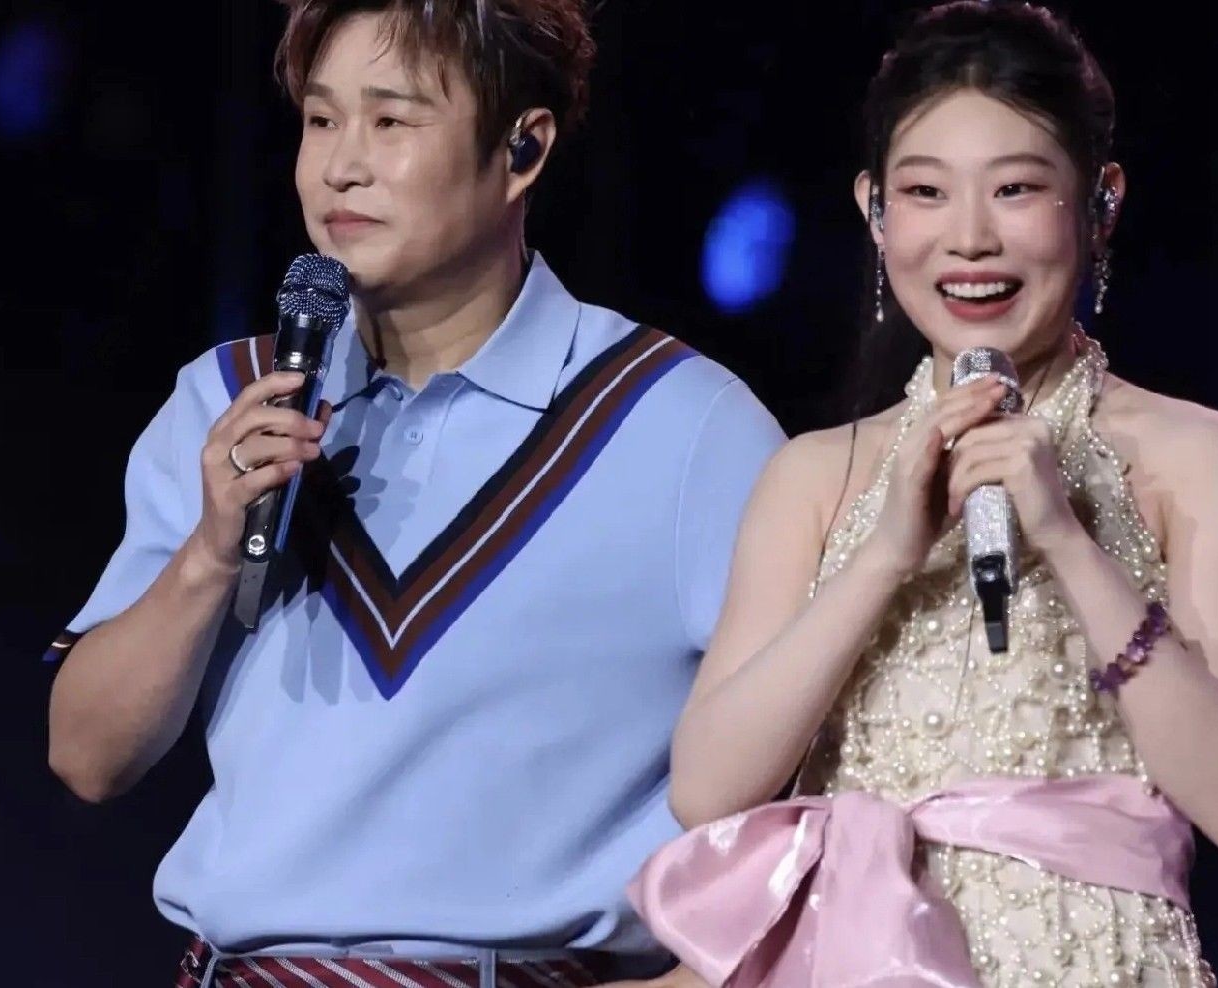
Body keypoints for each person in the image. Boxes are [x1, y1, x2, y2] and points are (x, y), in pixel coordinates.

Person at [44, 2, 783, 985]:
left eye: (391, 120)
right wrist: (208, 557)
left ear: (522, 149)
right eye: (321, 120)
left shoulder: (682, 425)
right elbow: (86, 755)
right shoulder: (228, 400)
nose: (341, 166)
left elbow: (818, 791)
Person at [632, 3, 1218, 985]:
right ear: (875, 212)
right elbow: (707, 792)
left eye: (1016, 188)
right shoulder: (817, 474)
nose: (970, 239)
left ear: (1100, 202)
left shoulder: (1196, 457)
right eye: (926, 192)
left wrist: (1067, 539)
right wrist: (887, 555)